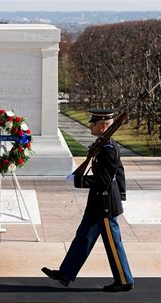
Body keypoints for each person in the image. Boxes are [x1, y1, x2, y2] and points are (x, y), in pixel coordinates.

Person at [42, 108, 134, 292]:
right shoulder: (104, 145)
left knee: (113, 243)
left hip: (105, 204)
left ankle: (124, 280)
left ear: (104, 126)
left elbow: (104, 180)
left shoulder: (108, 149)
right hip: (98, 203)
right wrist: (122, 194)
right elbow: (120, 171)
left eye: (93, 123)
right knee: (83, 237)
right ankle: (66, 273)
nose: (90, 125)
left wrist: (78, 180)